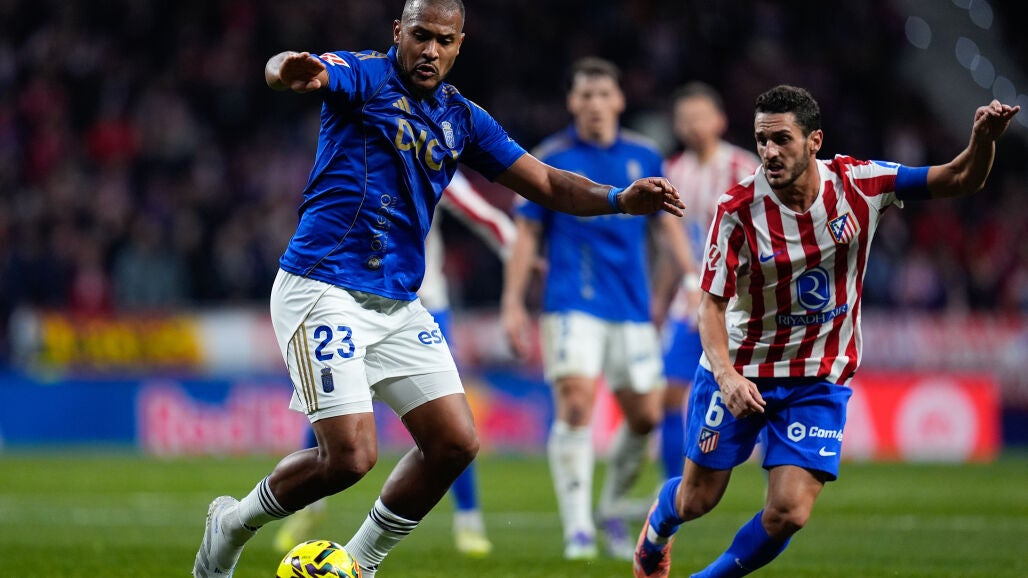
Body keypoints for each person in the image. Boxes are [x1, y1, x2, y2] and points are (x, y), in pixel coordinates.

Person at [190, 1, 683, 577]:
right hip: (323, 287)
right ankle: (232, 524)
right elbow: (296, 69)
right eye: (420, 35)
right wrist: (286, 69)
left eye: (444, 40)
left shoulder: (462, 119)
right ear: (397, 32)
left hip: (399, 302)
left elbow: (547, 182)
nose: (430, 50)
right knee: (349, 458)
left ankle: (359, 563)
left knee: (455, 443)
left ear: (459, 45)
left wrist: (619, 199)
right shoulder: (365, 75)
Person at [632, 85, 1019, 578]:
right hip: (742, 370)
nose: (770, 151)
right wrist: (727, 377)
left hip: (817, 375)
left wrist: (982, 140)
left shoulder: (862, 184)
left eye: (782, 139)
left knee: (789, 512)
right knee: (696, 499)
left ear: (814, 141)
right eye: (762, 140)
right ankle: (658, 527)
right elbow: (711, 304)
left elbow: (960, 178)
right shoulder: (738, 209)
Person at [271, 169, 513, 558]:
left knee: (451, 425)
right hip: (354, 303)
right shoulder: (363, 163)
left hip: (423, 308)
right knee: (335, 414)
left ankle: (469, 522)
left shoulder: (433, 164)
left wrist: (516, 251)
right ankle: (308, 508)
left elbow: (484, 217)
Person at [500, 57, 671, 561]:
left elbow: (667, 231)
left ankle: (610, 508)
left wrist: (674, 289)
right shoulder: (551, 158)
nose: (595, 104)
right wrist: (513, 303)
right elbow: (526, 235)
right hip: (571, 301)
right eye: (585, 95)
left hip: (633, 306)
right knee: (576, 404)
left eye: (603, 94)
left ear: (619, 100)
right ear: (572, 103)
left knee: (646, 417)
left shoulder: (645, 154)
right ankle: (577, 531)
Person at [650, 83, 761, 481]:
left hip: (740, 301)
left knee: (764, 392)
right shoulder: (673, 171)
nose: (693, 125)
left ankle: (778, 488)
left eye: (700, 117)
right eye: (685, 119)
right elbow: (671, 242)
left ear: (719, 120)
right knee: (667, 396)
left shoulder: (745, 168)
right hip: (691, 300)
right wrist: (660, 298)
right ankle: (671, 487)